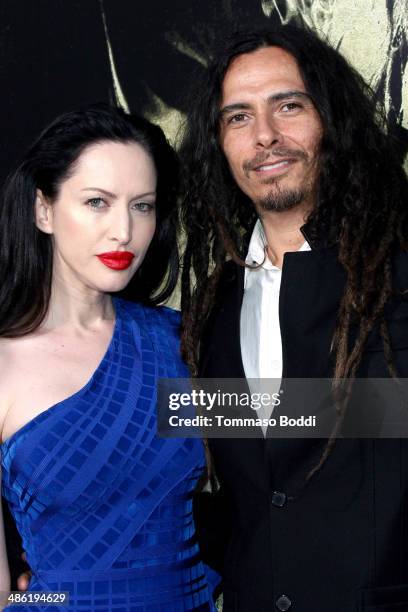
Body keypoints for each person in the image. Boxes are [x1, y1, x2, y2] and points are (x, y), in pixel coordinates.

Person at [180, 25, 408, 612]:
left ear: (330, 119)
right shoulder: (211, 311)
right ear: (219, 143)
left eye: (288, 106)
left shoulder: (400, 275)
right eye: (238, 117)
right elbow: (249, 498)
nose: (265, 137)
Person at [0, 103, 217, 611]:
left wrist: (389, 406)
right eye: (98, 202)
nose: (124, 230)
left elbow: (295, 420)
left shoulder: (178, 342)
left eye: (142, 205)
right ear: (43, 210)